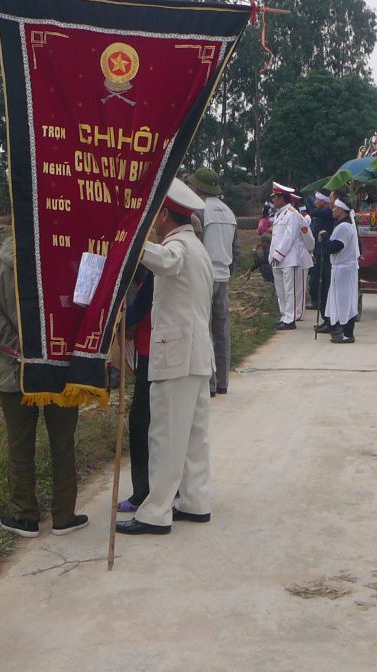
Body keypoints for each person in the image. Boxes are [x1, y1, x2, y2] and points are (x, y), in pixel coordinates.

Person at [116, 178, 215, 536]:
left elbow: (165, 261)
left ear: (165, 216)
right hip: (196, 355)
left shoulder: (179, 248)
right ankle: (194, 500)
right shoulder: (198, 248)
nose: (154, 223)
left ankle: (155, 512)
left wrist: (130, 240)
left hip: (177, 356)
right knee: (193, 436)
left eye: (155, 216)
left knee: (165, 435)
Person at [0, 237, 88, 538]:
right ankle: (64, 516)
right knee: (63, 442)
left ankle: (26, 517)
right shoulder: (65, 258)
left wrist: (20, 352)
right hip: (59, 368)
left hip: (14, 371)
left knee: (20, 444)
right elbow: (80, 306)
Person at [188, 167, 240, 397]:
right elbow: (236, 248)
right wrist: (230, 269)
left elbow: (195, 243)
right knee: (222, 330)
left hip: (204, 276)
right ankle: (222, 381)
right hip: (223, 276)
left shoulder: (199, 211)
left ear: (198, 188)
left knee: (204, 330)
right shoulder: (228, 212)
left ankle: (208, 384)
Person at [115, 266, 154, 514]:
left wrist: (121, 321)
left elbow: (138, 309)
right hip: (163, 352)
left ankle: (142, 493)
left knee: (141, 423)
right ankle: (174, 486)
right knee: (164, 424)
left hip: (153, 354)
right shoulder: (193, 255)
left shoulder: (163, 264)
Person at [268, 182, 311, 330]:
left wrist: (278, 254)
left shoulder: (292, 214)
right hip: (277, 258)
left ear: (281, 198)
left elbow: (289, 237)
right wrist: (273, 255)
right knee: (281, 290)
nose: (273, 200)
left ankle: (290, 319)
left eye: (275, 197)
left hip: (288, 258)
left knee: (289, 290)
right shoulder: (279, 213)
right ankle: (284, 316)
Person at [321, 198, 360, 343]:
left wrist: (325, 238)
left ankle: (348, 333)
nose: (332, 210)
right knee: (342, 301)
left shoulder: (343, 227)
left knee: (345, 301)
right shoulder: (345, 226)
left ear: (341, 210)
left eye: (335, 208)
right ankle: (342, 330)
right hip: (342, 269)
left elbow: (335, 247)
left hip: (344, 269)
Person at [309, 191, 335, 322]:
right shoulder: (322, 212)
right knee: (317, 283)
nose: (315, 202)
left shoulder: (327, 212)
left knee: (324, 285)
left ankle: (327, 318)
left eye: (317, 200)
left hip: (325, 252)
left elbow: (312, 212)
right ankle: (323, 312)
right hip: (319, 251)